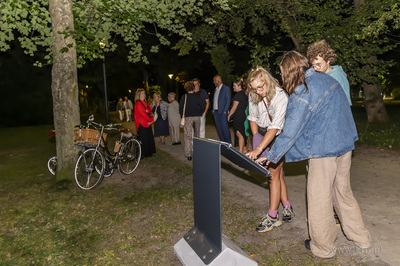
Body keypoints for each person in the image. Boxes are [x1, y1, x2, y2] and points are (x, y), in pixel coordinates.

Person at [257, 51, 371, 258]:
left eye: (283, 73)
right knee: (343, 193)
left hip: (323, 152)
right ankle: (361, 238)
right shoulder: (328, 79)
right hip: (344, 146)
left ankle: (323, 248)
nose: (283, 78)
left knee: (320, 199)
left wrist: (271, 154)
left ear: (291, 71)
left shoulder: (304, 91)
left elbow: (291, 130)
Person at [245, 67, 293, 233]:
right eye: (254, 88)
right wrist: (256, 137)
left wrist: (258, 149)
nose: (258, 91)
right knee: (277, 174)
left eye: (261, 87)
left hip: (279, 135)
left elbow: (275, 127)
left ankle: (272, 217)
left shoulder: (281, 96)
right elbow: (252, 118)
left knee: (273, 174)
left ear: (268, 81)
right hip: (263, 134)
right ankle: (287, 206)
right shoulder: (254, 95)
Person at [307, 40, 352, 105]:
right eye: (313, 65)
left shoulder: (338, 76)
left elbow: (345, 104)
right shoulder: (317, 75)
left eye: (318, 64)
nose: (315, 68)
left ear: (328, 60)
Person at [179, 81, 206, 161]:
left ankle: (189, 154)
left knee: (188, 136)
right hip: (197, 118)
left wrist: (182, 116)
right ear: (193, 88)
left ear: (186, 88)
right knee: (197, 135)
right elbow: (203, 105)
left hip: (188, 118)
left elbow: (181, 108)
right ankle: (197, 152)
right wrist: (200, 113)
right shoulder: (198, 96)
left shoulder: (184, 97)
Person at [227, 79, 248, 153]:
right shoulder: (243, 94)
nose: (233, 87)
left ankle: (240, 151)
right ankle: (244, 149)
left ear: (239, 86)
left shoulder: (238, 94)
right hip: (241, 115)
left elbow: (234, 108)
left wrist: (229, 115)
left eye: (234, 86)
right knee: (241, 132)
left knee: (239, 133)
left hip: (238, 115)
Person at [134, 89, 156, 157]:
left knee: (149, 138)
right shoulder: (138, 103)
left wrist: (151, 119)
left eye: (144, 93)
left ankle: (149, 152)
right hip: (142, 124)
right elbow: (143, 114)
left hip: (147, 123)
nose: (144, 95)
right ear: (138, 95)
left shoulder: (145, 103)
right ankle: (144, 154)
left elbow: (150, 112)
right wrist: (150, 120)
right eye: (142, 94)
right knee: (143, 139)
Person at [212, 75, 231, 143]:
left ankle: (229, 144)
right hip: (216, 112)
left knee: (225, 129)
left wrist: (225, 111)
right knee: (219, 129)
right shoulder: (216, 89)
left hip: (223, 112)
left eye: (215, 80)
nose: (214, 82)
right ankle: (223, 144)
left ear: (219, 80)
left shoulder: (226, 88)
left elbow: (228, 99)